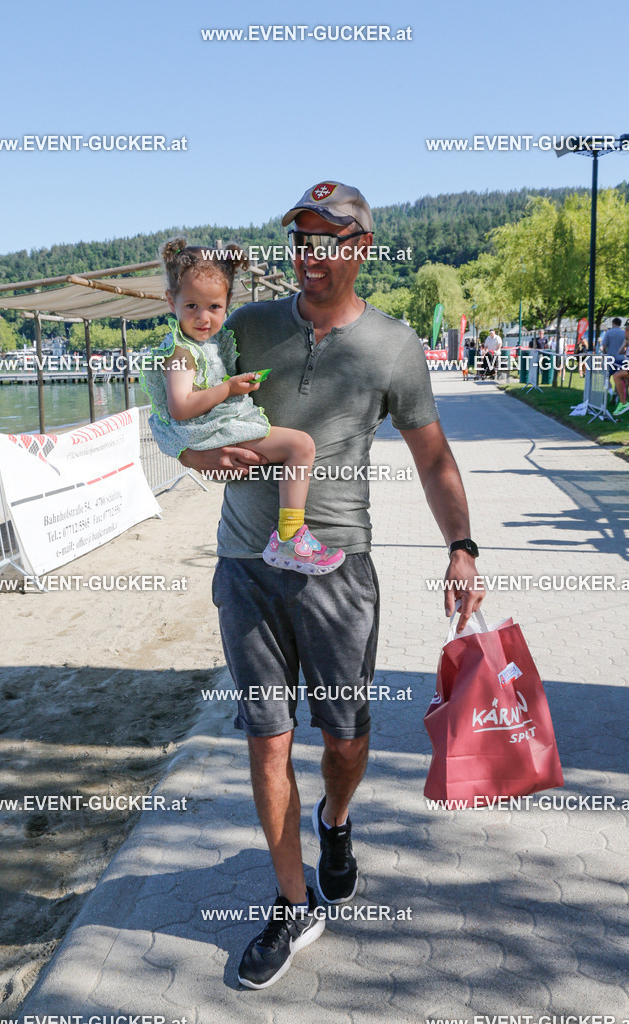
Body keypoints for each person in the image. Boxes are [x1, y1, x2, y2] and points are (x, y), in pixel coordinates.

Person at [178, 181, 483, 989]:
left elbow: (432, 456)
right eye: (300, 241)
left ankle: (336, 821)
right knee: (266, 737)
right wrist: (197, 457)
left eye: (326, 241)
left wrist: (461, 546)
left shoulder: (392, 346)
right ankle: (290, 901)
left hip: (337, 565)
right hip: (247, 566)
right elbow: (182, 418)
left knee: (343, 737)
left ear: (358, 249)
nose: (310, 256)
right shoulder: (243, 327)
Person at [140, 239, 345, 574]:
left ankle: (289, 535)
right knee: (301, 446)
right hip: (208, 431)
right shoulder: (181, 352)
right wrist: (229, 388)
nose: (203, 317)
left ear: (228, 303)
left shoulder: (207, 343)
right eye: (191, 306)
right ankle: (291, 537)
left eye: (214, 307)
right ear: (170, 301)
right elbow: (179, 408)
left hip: (217, 427)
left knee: (283, 452)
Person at [610, 323, 629, 415]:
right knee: (623, 382)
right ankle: (623, 402)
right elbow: (620, 351)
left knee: (616, 376)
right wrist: (625, 343)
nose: (624, 333)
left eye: (626, 331)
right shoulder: (627, 341)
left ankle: (623, 403)